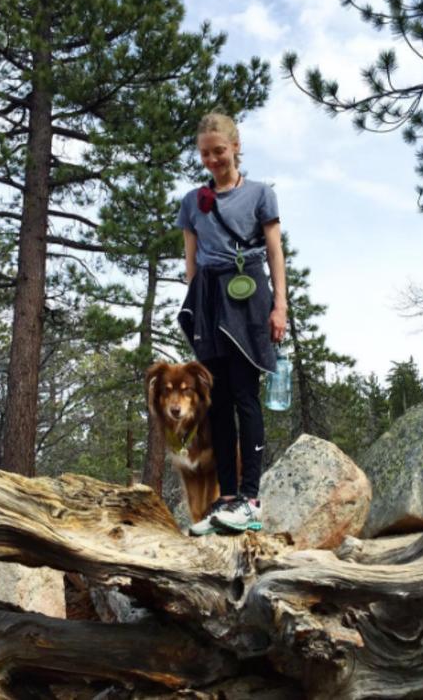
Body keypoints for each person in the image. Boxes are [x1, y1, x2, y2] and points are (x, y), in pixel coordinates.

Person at [176, 112, 287, 536]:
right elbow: (191, 261)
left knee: (244, 395)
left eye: (219, 151)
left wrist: (280, 306)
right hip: (208, 299)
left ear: (236, 146)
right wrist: (196, 307)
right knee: (216, 402)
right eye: (205, 153)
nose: (212, 160)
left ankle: (249, 500)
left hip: (247, 295)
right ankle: (225, 500)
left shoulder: (260, 194)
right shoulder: (192, 201)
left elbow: (275, 252)